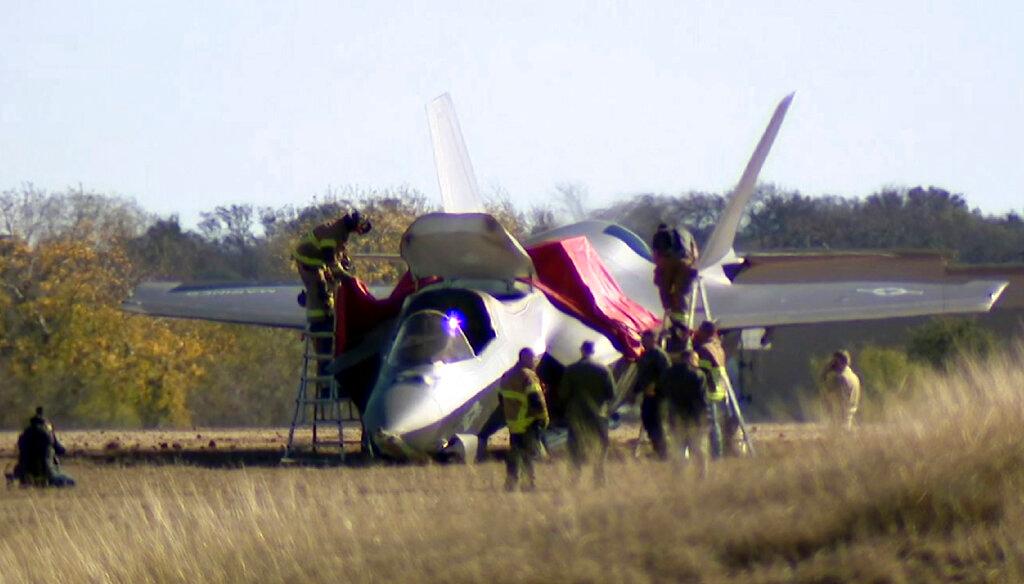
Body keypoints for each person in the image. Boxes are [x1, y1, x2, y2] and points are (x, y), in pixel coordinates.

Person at [292, 211, 372, 395]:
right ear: (354, 224)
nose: (360, 232)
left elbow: (339, 256)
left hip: (317, 261)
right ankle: (321, 317)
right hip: (309, 261)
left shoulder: (341, 232)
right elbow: (330, 259)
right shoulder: (333, 233)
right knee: (319, 288)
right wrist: (347, 277)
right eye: (360, 228)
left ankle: (325, 313)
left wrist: (345, 265)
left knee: (327, 288)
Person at [559, 340, 616, 486]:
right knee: (599, 447)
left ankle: (574, 479)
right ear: (593, 351)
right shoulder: (604, 370)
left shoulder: (571, 370)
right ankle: (599, 479)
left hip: (577, 415)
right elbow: (612, 394)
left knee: (575, 448)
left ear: (582, 350)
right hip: (598, 415)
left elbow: (563, 394)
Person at [498, 348, 550, 492]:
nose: (535, 362)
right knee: (528, 456)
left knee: (514, 455)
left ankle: (510, 484)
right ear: (526, 359)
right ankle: (528, 485)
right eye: (533, 359)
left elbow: (501, 399)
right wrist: (543, 418)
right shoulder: (528, 376)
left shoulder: (507, 376)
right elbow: (537, 400)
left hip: (513, 423)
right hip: (527, 422)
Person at [659, 350, 711, 478]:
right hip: (695, 418)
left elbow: (663, 393)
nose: (697, 363)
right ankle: (701, 477)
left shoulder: (668, 374)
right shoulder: (698, 375)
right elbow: (702, 399)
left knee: (678, 450)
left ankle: (678, 478)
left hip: (676, 418)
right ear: (690, 359)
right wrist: (707, 417)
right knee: (699, 450)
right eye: (696, 360)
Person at [693, 321, 731, 458]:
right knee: (716, 424)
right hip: (719, 389)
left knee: (710, 425)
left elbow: (701, 370)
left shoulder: (704, 350)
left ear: (704, 332)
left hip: (709, 389)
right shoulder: (718, 348)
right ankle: (718, 453)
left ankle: (716, 455)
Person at [11, 407, 75, 488]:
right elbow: (60, 450)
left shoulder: (24, 435)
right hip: (48, 474)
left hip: (26, 474)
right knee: (71, 482)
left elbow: (21, 455)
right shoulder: (48, 434)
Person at [631, 331, 671, 459]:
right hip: (647, 395)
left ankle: (663, 453)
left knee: (657, 423)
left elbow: (666, 375)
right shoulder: (645, 355)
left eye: (645, 339)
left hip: (659, 397)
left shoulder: (660, 356)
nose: (643, 341)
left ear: (653, 340)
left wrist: (656, 386)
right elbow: (641, 375)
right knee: (647, 420)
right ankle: (657, 449)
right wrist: (635, 391)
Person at [651, 223, 699, 325]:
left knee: (663, 288)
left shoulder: (659, 235)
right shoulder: (687, 234)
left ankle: (672, 318)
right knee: (680, 293)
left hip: (667, 262)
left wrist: (660, 271)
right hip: (686, 262)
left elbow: (656, 255)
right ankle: (682, 322)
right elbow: (695, 254)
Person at [822, 350, 862, 430]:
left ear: (839, 361)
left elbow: (833, 398)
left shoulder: (840, 378)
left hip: (839, 421)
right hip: (850, 419)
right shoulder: (855, 377)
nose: (832, 363)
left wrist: (825, 372)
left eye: (834, 361)